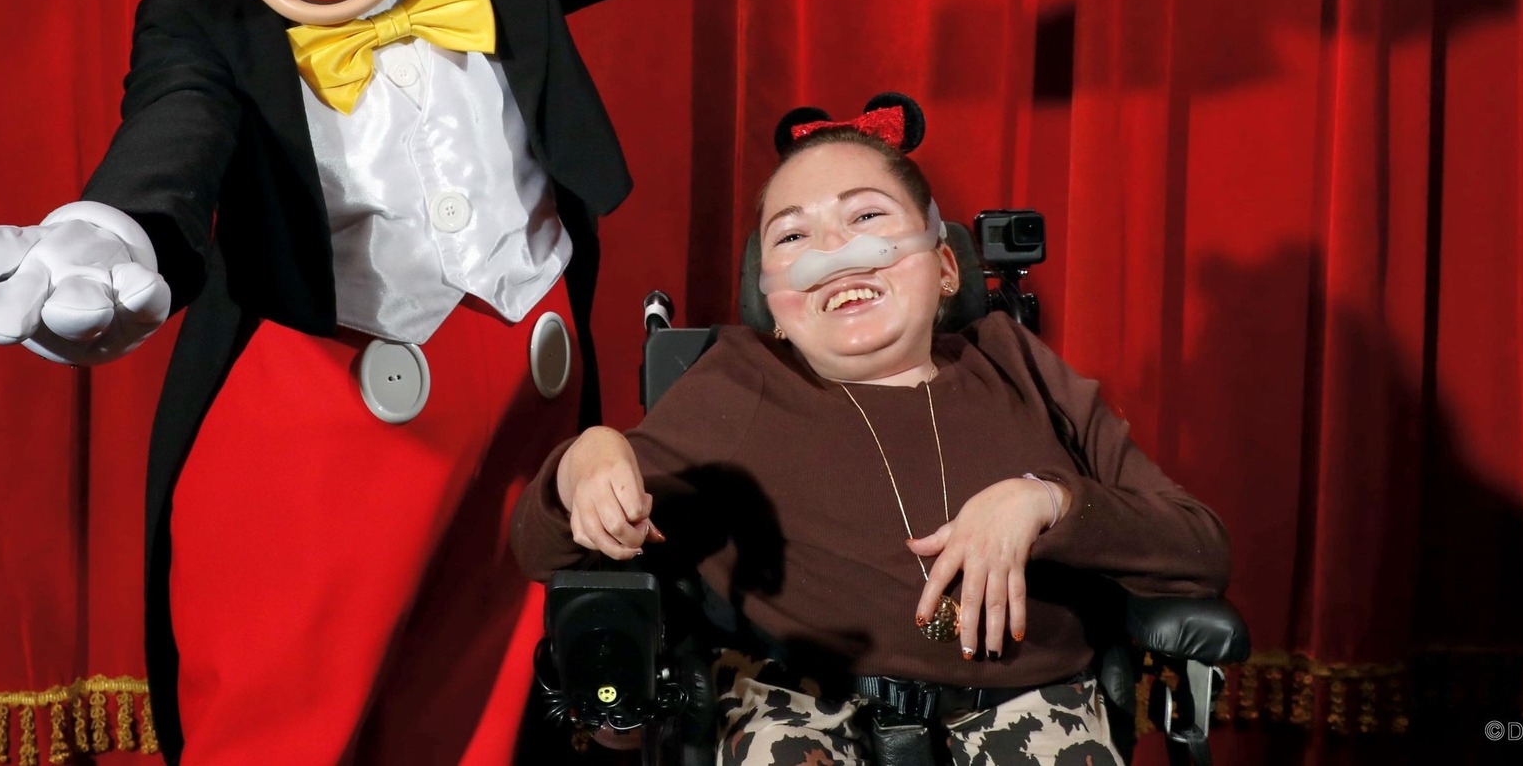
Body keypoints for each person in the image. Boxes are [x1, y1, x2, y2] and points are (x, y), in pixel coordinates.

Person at [509, 99, 1231, 766]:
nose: (836, 252)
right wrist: (586, 462)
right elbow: (543, 546)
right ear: (774, 300)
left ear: (946, 266)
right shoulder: (740, 379)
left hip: (1033, 703)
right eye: (792, 235)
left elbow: (1197, 545)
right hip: (802, 706)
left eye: (867, 218)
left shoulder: (1016, 363)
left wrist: (1047, 502)